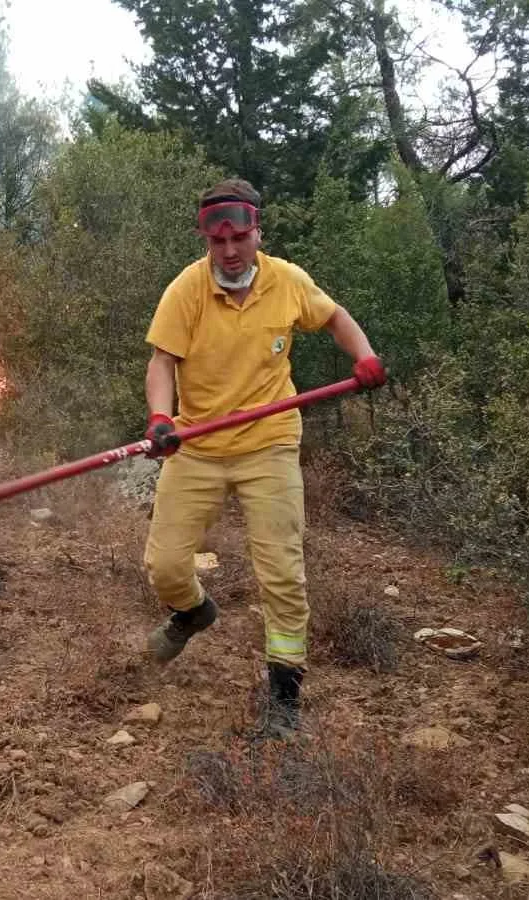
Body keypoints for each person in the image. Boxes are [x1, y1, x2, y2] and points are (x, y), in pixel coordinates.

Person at [140, 177, 386, 739]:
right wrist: (161, 418)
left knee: (281, 571)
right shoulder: (187, 290)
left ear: (257, 233)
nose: (229, 252)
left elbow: (336, 319)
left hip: (270, 441)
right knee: (166, 566)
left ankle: (284, 697)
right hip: (198, 443)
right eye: (217, 243)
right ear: (207, 241)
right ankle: (193, 612)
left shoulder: (288, 282)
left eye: (240, 239)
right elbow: (162, 362)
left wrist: (365, 356)